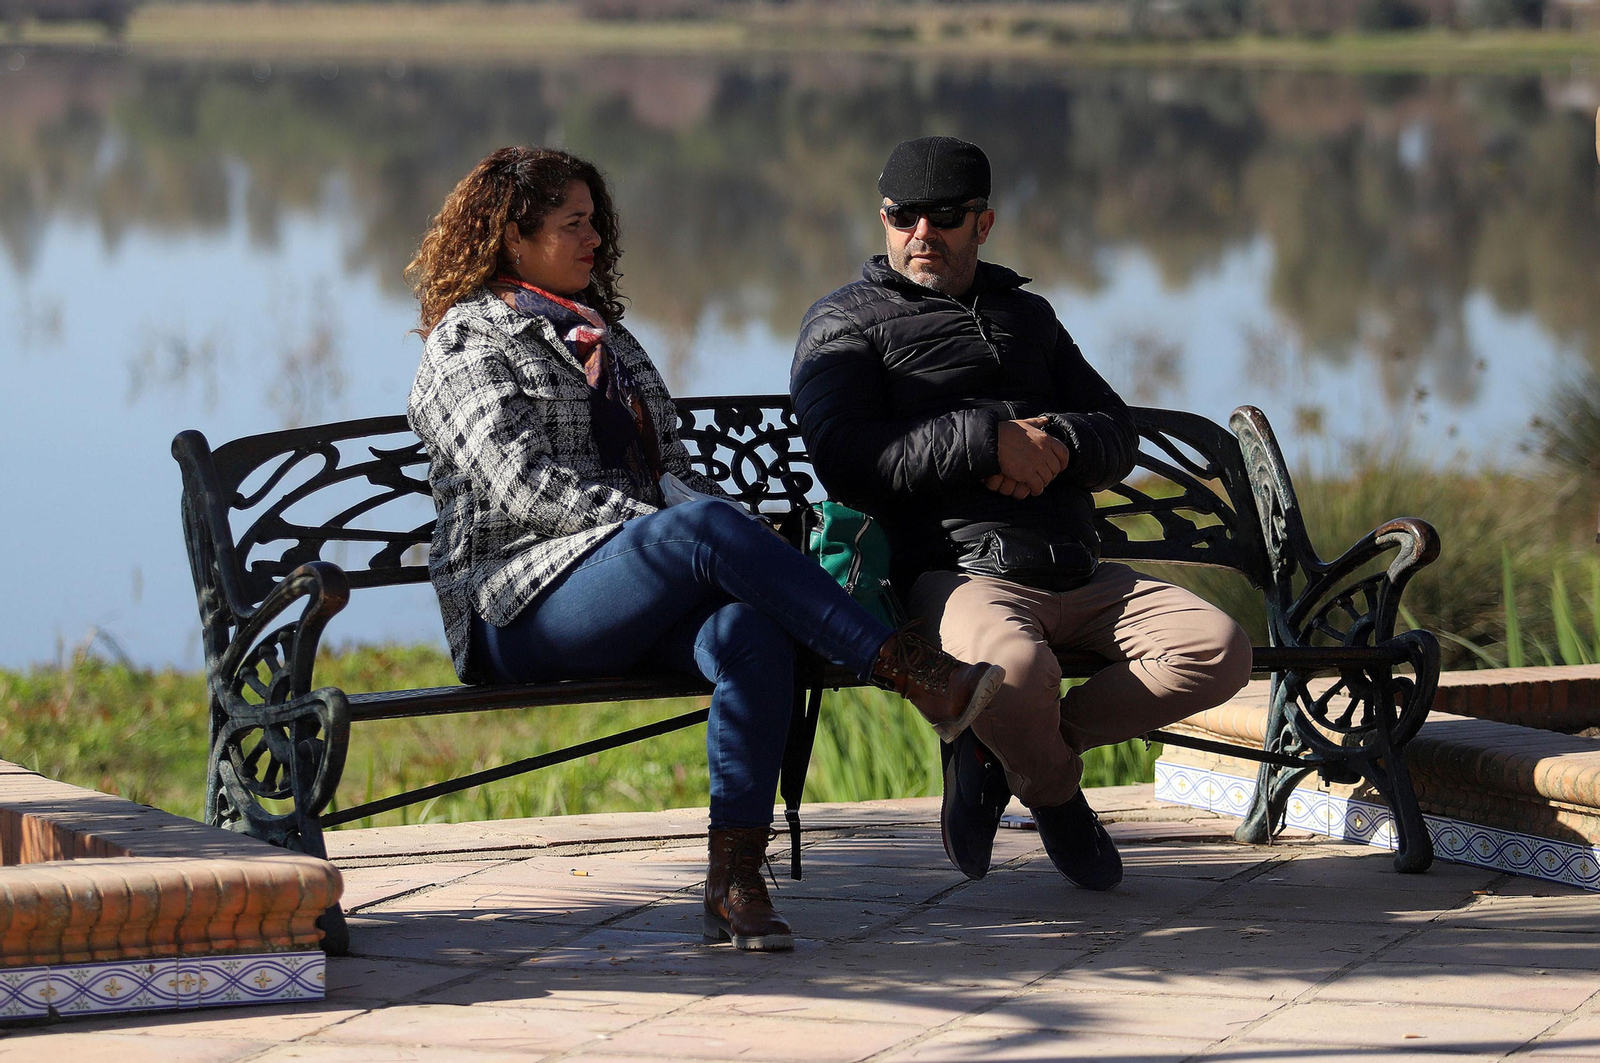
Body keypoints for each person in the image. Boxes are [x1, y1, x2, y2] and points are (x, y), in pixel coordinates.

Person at [404, 146, 1005, 952]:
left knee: (748, 636)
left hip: (622, 586)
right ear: (515, 238)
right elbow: (524, 487)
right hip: (515, 603)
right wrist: (657, 531)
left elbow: (674, 468)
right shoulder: (466, 343)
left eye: (596, 223)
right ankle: (906, 667)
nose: (595, 241)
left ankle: (734, 883)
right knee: (696, 530)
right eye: (573, 225)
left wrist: (710, 530)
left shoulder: (605, 337)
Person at [790, 136, 1252, 891]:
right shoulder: (846, 322)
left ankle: (996, 756)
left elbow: (1116, 428)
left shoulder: (1028, 315)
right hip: (957, 573)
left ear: (983, 223)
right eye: (903, 215)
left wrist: (1061, 443)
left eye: (942, 217)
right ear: (883, 218)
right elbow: (845, 457)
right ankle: (1058, 797)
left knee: (1219, 647)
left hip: (1078, 566)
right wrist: (986, 443)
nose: (920, 233)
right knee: (1015, 669)